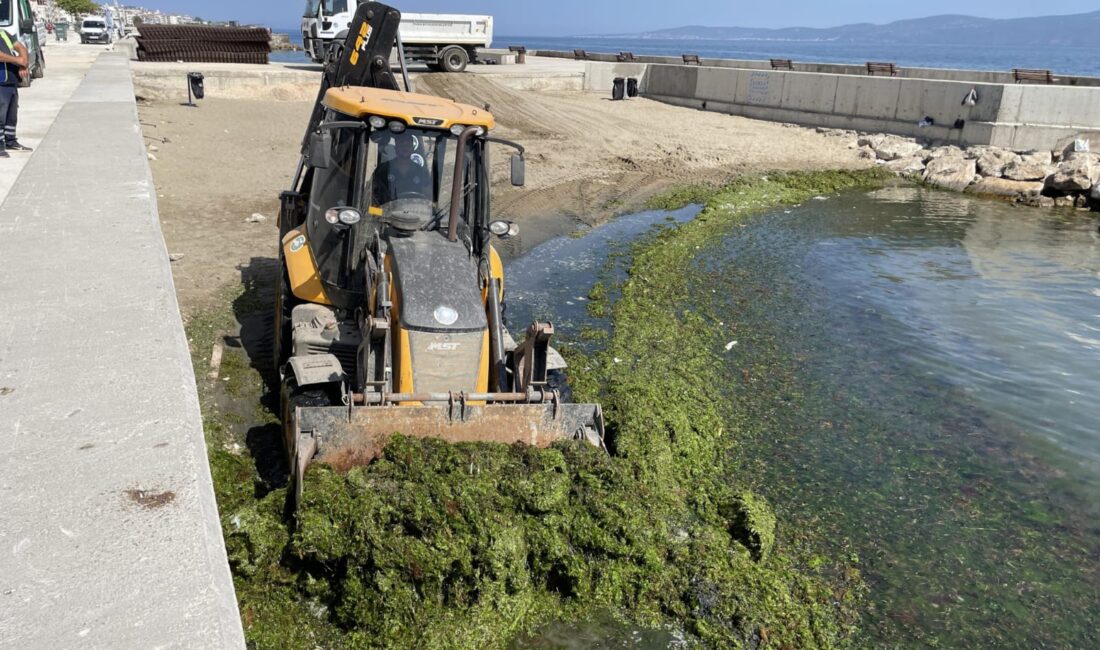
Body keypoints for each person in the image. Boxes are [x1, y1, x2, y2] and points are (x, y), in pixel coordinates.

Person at [371, 133, 432, 205]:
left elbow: (429, 198)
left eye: (408, 145)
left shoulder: (422, 172)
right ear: (396, 148)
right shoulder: (382, 170)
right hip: (386, 214)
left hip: (414, 213)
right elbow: (372, 195)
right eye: (401, 144)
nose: (405, 147)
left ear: (412, 149)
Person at [0, 30, 31, 158]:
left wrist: (23, 64)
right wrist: (18, 60)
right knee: (0, 114)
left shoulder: (3, 33)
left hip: (11, 80)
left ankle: (10, 140)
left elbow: (21, 47)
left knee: (11, 115)